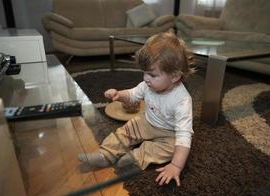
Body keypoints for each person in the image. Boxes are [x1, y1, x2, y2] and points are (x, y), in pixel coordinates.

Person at [78, 31, 195, 186]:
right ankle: (105, 154)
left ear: (174, 76)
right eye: (144, 73)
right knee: (125, 130)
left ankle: (136, 157)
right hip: (147, 122)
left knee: (173, 149)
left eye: (152, 75)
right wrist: (119, 95)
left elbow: (184, 136)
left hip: (170, 133)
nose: (146, 78)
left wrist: (176, 166)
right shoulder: (147, 85)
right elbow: (132, 94)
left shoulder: (182, 101)